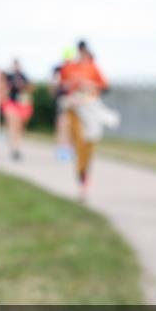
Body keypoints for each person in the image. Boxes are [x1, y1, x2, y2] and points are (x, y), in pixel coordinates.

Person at [59, 45, 111, 201]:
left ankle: (84, 176)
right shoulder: (69, 68)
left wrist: (91, 85)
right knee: (79, 145)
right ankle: (82, 180)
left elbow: (105, 86)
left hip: (90, 110)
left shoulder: (93, 68)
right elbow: (61, 86)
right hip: (75, 110)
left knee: (89, 145)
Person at [2, 59, 33, 160]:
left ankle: (17, 148)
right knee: (12, 125)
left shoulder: (24, 76)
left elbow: (29, 89)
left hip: (20, 105)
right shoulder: (9, 76)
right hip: (11, 104)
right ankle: (13, 148)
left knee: (18, 128)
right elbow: (3, 86)